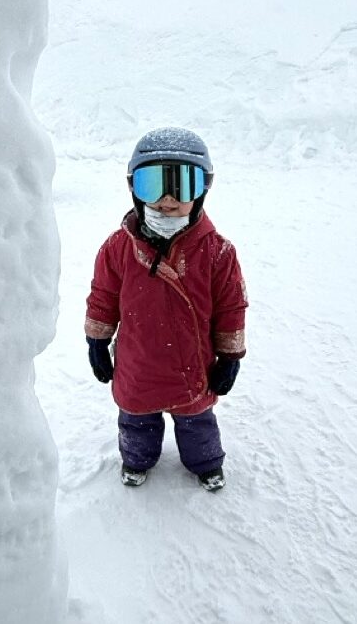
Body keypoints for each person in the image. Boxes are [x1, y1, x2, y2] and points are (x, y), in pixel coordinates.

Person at [84, 127, 248, 492]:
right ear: (133, 188)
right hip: (138, 360)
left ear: (203, 189)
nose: (167, 199)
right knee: (136, 418)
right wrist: (96, 340)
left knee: (197, 420)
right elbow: (102, 297)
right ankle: (137, 458)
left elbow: (231, 307)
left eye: (183, 184)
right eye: (152, 184)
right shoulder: (118, 249)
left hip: (194, 363)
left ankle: (205, 462)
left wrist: (230, 354)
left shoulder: (218, 252)